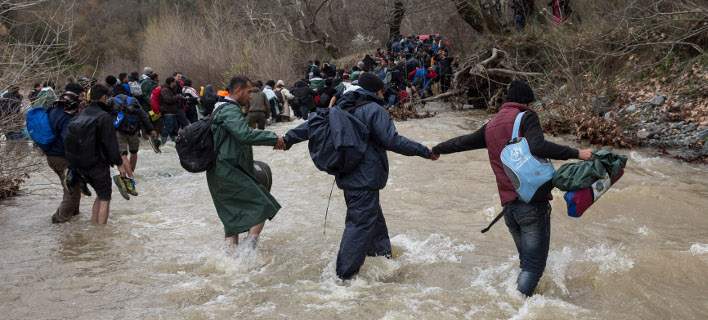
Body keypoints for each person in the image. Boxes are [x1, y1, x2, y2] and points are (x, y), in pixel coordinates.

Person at [431, 80, 593, 297]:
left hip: (509, 209)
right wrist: (577, 153)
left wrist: (437, 149)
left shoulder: (491, 125)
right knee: (533, 268)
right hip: (532, 205)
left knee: (526, 263)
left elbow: (463, 142)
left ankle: (518, 302)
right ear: (527, 101)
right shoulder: (526, 117)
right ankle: (516, 307)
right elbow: (538, 146)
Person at [283, 73, 437, 280]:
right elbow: (392, 140)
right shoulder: (374, 110)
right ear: (377, 91)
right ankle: (343, 278)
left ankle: (384, 259)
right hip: (366, 179)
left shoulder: (339, 107)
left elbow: (311, 126)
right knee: (360, 224)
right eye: (382, 90)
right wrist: (425, 151)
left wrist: (287, 139)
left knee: (373, 220)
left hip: (349, 176)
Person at [207, 75, 285, 248]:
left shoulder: (220, 108)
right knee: (263, 205)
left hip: (219, 172)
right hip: (228, 171)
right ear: (238, 90)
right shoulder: (229, 110)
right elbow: (245, 135)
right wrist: (274, 138)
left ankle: (231, 261)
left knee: (232, 220)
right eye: (249, 92)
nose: (251, 96)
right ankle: (248, 252)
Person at [64, 84, 126, 224]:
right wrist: (119, 164)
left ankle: (94, 227)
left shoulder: (79, 115)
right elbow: (111, 144)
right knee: (105, 198)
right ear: (104, 97)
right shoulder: (104, 117)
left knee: (99, 194)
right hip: (97, 164)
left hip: (79, 165)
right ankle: (101, 234)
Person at [43, 91, 83, 223]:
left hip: (51, 156)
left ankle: (73, 216)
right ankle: (60, 220)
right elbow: (68, 140)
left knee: (72, 186)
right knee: (72, 191)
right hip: (62, 157)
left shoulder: (52, 111)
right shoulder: (67, 116)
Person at [112, 94, 158, 198]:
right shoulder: (134, 101)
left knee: (123, 154)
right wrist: (150, 129)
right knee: (134, 152)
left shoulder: (114, 102)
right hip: (134, 131)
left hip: (120, 131)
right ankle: (130, 176)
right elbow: (143, 116)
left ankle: (130, 178)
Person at [158, 77, 182, 143]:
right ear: (171, 82)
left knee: (175, 129)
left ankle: (174, 144)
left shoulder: (171, 89)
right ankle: (163, 144)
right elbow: (168, 99)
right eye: (174, 82)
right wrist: (177, 97)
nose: (175, 83)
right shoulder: (165, 90)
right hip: (168, 112)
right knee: (167, 128)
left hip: (173, 112)